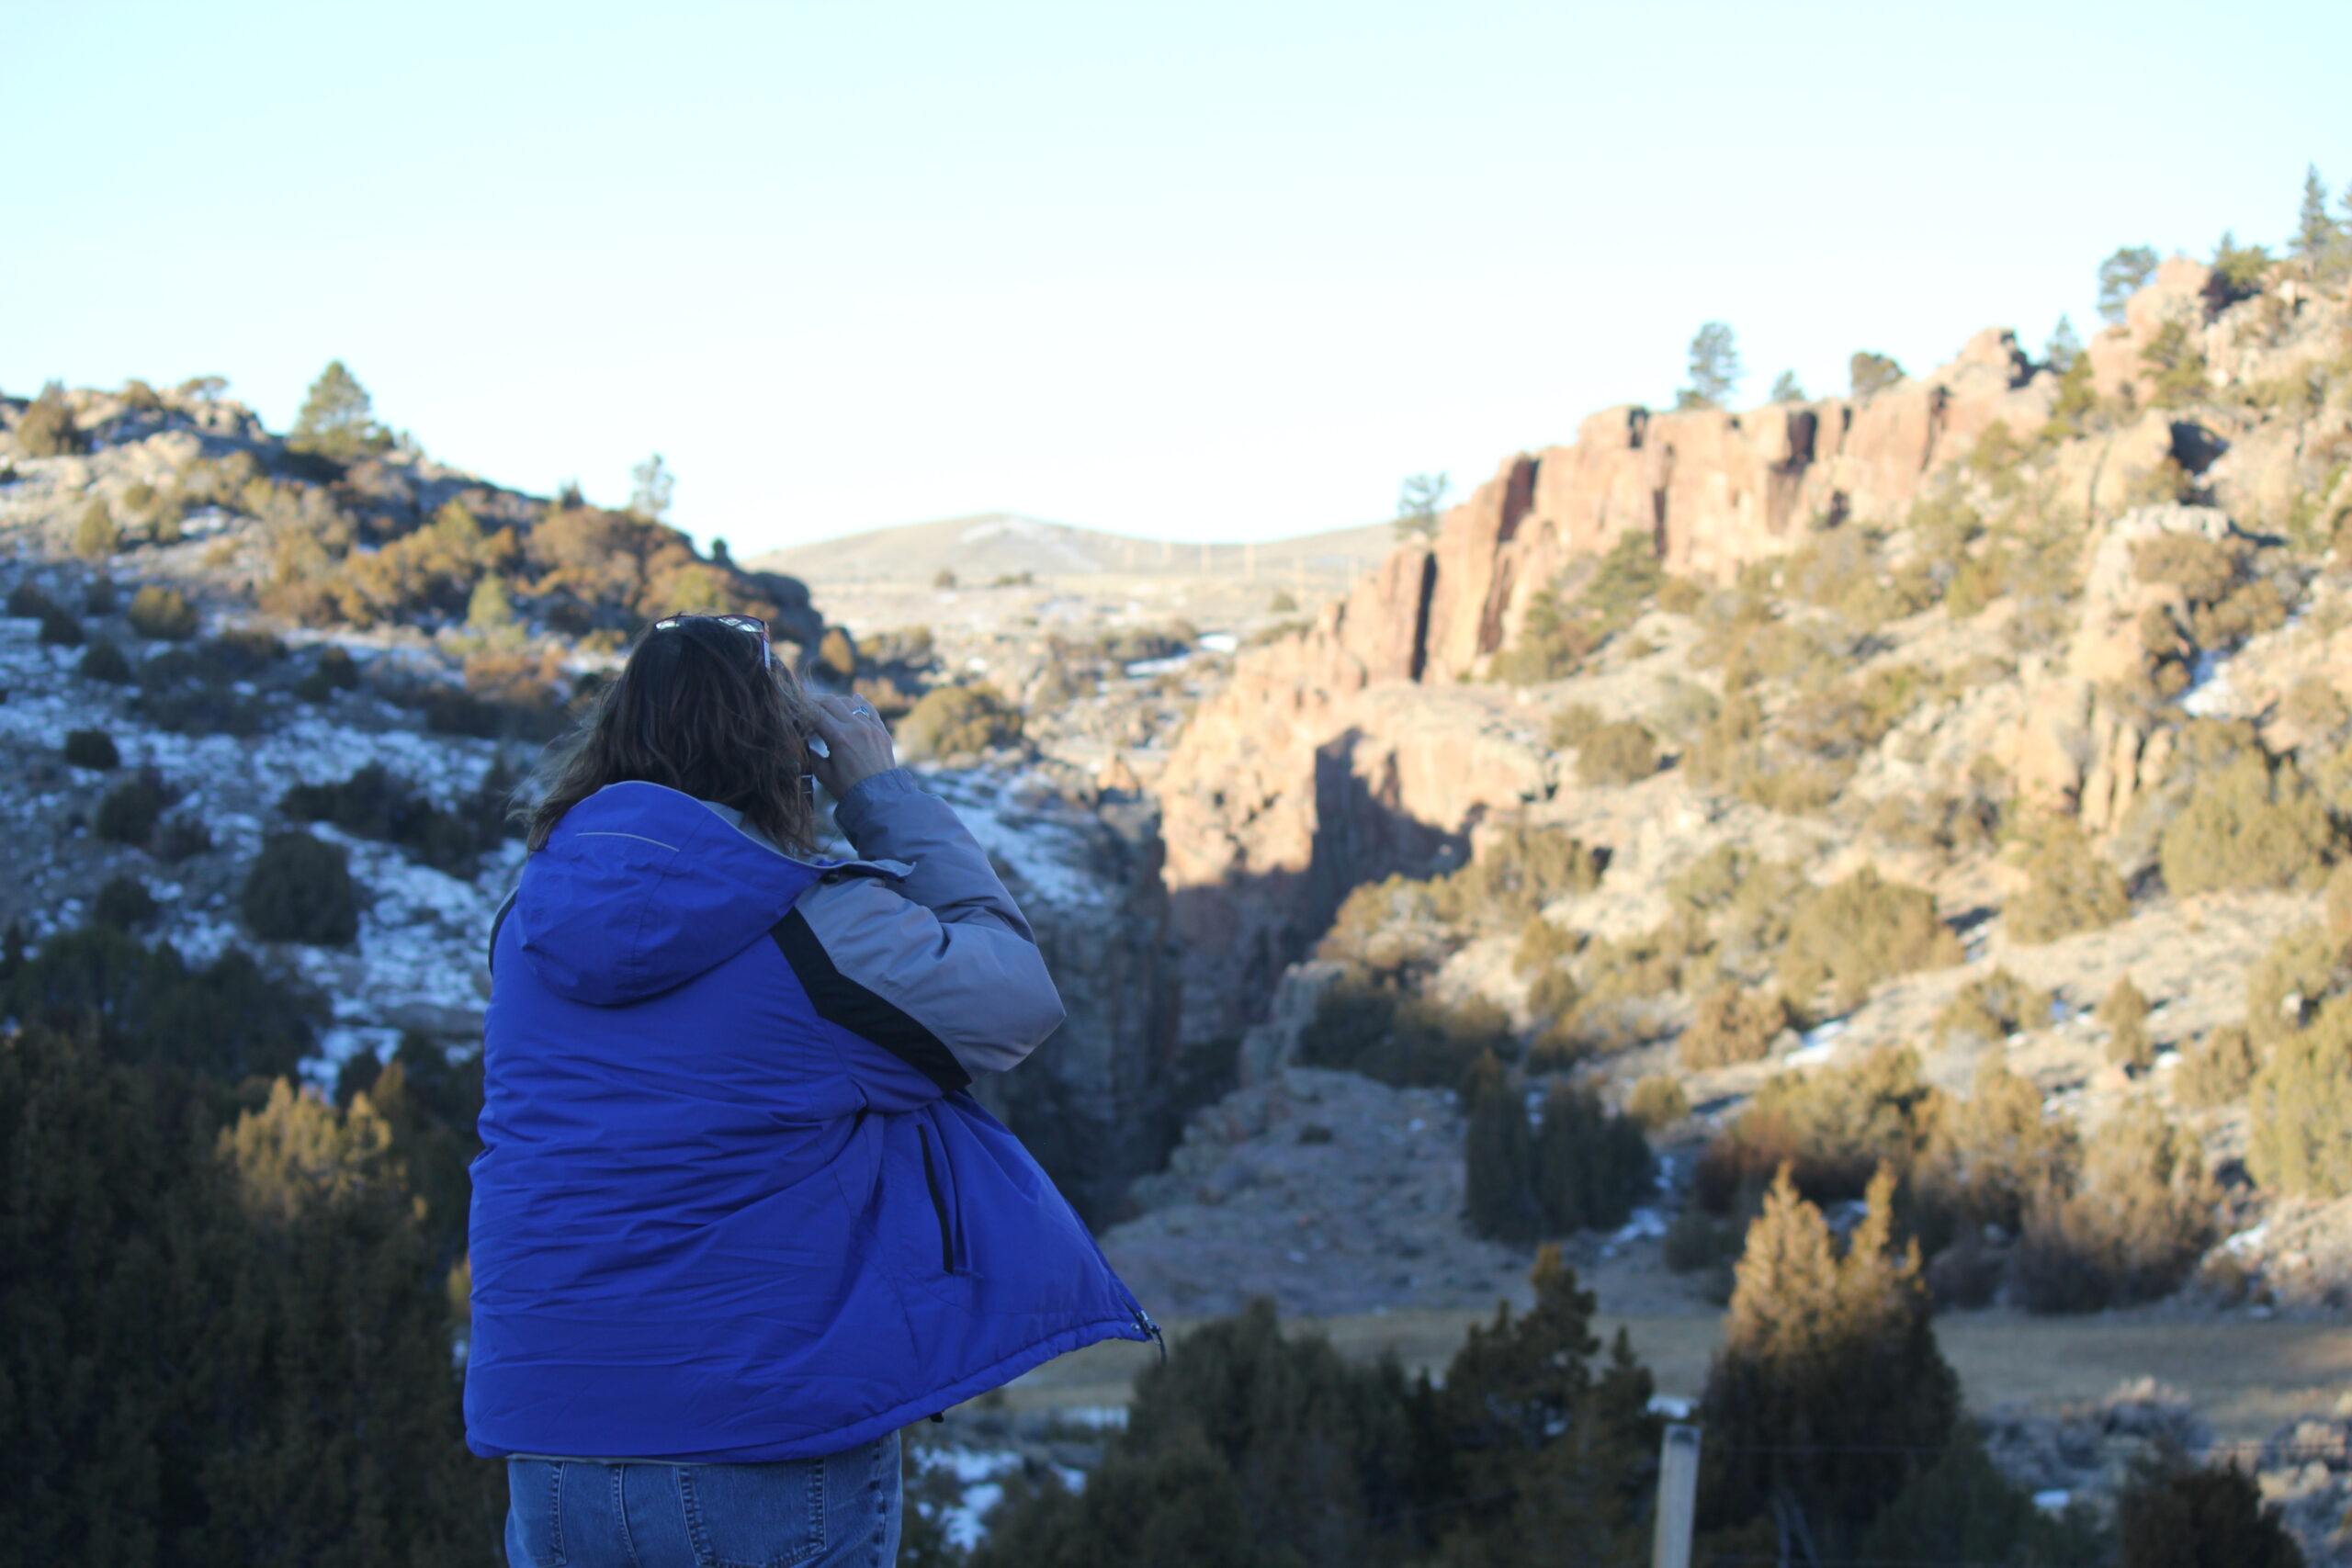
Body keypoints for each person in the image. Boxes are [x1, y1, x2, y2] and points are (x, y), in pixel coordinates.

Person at [465, 613, 1155, 1568]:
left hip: (553, 1432)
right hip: (760, 1431)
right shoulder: (805, 925)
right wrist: (879, 790)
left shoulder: (530, 921)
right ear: (782, 758)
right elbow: (1015, 999)